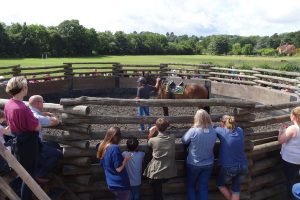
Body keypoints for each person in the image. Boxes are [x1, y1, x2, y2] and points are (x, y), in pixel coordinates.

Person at [4, 76, 41, 200]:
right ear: (23, 88)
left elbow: (9, 124)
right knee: (28, 176)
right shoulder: (23, 108)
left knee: (22, 172)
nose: (27, 88)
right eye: (26, 86)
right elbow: (36, 127)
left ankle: (8, 191)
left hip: (17, 142)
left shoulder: (9, 104)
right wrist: (38, 123)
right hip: (28, 144)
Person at [181, 109, 217, 200]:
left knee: (191, 186)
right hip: (209, 163)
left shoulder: (194, 130)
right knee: (203, 187)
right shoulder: (213, 130)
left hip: (194, 163)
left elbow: (184, 140)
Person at [28, 95, 62, 182]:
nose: (43, 104)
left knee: (55, 145)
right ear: (38, 103)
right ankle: (40, 173)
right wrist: (52, 115)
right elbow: (55, 121)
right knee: (58, 154)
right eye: (43, 102)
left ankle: (45, 168)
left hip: (30, 143)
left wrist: (42, 114)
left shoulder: (29, 111)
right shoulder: (36, 116)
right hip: (35, 144)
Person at [215, 115, 248, 200]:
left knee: (220, 184)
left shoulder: (221, 131)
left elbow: (211, 127)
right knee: (236, 190)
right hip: (243, 166)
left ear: (222, 123)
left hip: (229, 167)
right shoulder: (240, 130)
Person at [143, 118, 177, 200]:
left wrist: (151, 132)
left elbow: (148, 142)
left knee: (155, 188)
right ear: (167, 127)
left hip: (157, 173)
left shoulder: (153, 140)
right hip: (169, 171)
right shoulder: (172, 138)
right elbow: (169, 134)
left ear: (157, 128)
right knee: (157, 189)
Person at [97, 127, 131, 200]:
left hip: (111, 181)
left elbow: (101, 164)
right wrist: (125, 160)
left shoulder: (102, 146)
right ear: (116, 136)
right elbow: (118, 169)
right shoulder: (114, 148)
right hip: (120, 183)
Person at [278, 107, 300, 200]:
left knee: (290, 182)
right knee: (296, 181)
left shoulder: (293, 128)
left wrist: (281, 131)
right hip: (298, 160)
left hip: (290, 160)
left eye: (291, 114)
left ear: (294, 117)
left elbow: (281, 140)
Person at [0, 110, 12, 174]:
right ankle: (5, 170)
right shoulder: (0, 127)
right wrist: (11, 125)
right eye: (3, 118)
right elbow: (9, 133)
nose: (4, 119)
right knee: (3, 159)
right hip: (1, 145)